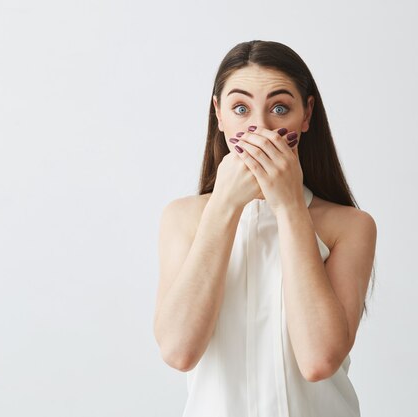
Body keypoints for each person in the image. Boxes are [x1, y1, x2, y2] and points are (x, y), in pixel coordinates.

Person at [153, 40, 377, 417]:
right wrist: (224, 204)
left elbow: (319, 360)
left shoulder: (350, 226)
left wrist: (289, 205)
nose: (260, 127)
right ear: (218, 115)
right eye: (240, 108)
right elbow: (178, 351)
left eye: (279, 108)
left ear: (306, 115)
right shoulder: (182, 218)